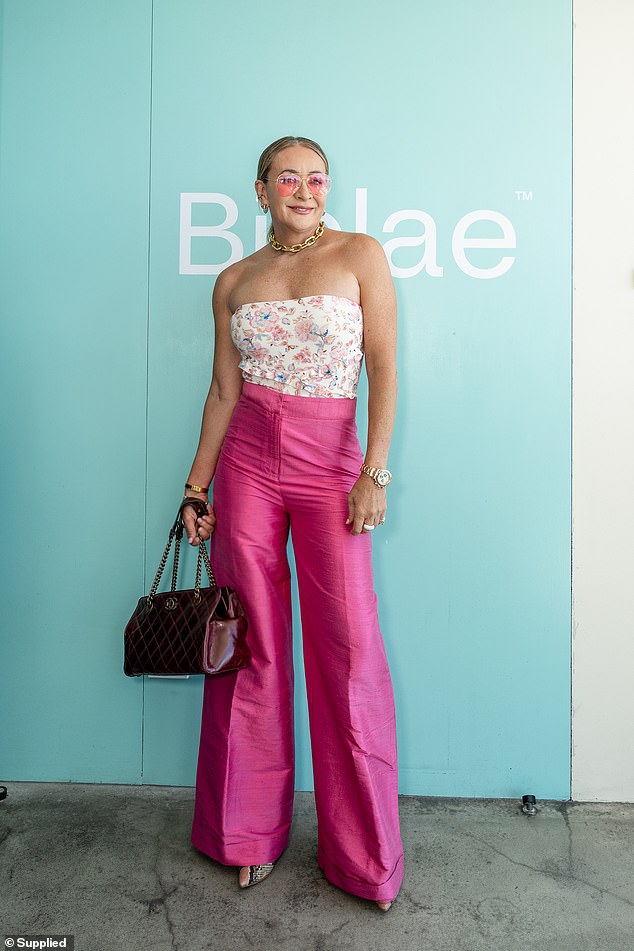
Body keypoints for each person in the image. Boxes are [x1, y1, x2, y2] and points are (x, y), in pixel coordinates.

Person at [183, 135, 403, 911]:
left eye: (316, 178)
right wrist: (196, 487)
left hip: (329, 460)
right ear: (261, 190)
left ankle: (365, 858)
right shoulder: (235, 280)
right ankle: (245, 834)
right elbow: (222, 390)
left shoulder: (359, 254)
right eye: (288, 178)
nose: (305, 190)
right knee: (249, 644)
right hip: (246, 462)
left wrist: (374, 470)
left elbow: (384, 365)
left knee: (349, 649)